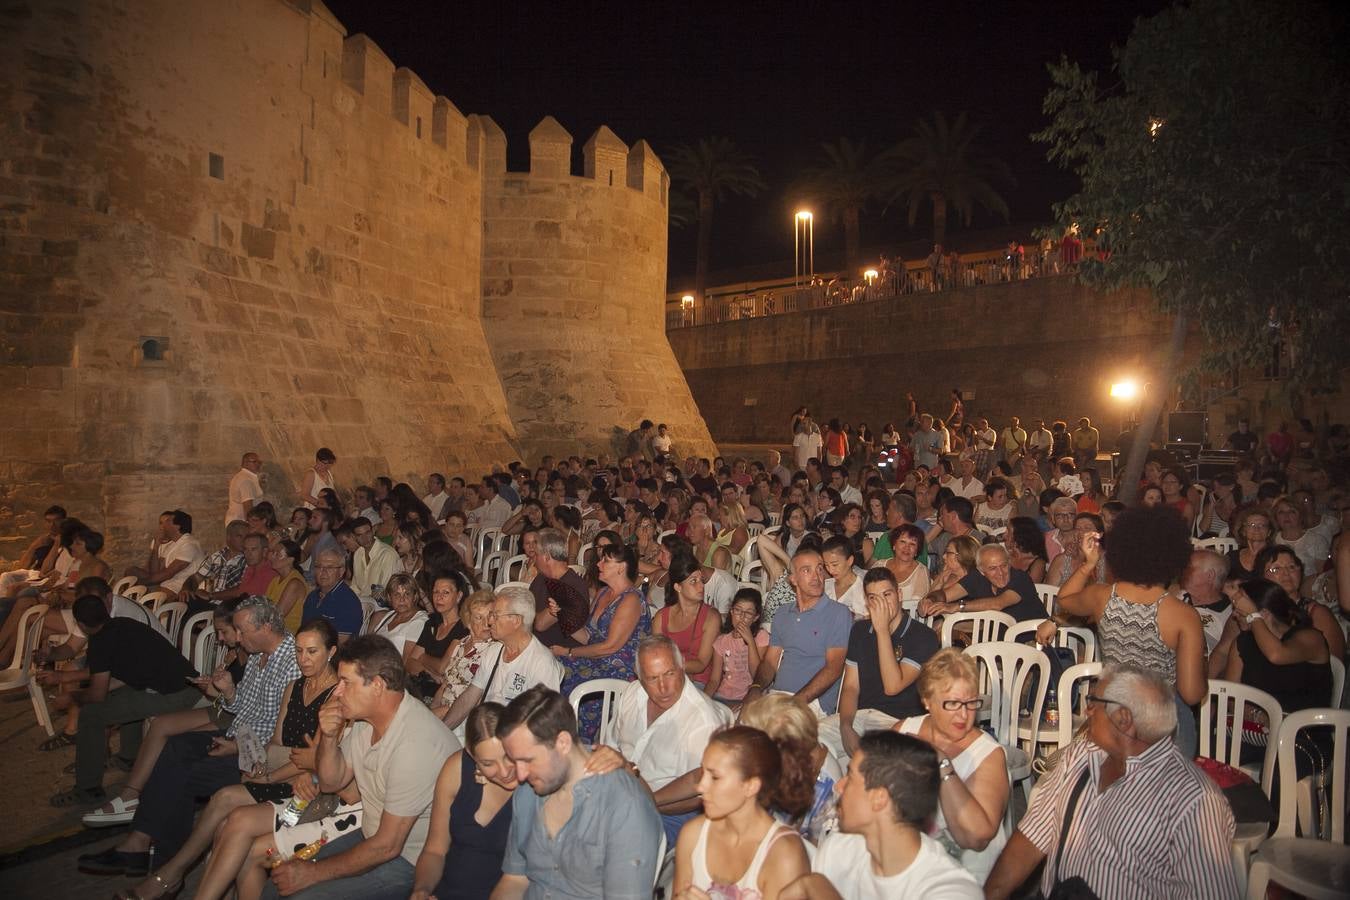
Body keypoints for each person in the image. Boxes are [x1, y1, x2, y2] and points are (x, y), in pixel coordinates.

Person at [114, 618, 339, 900]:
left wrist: (266, 776)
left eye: (312, 652)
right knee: (221, 809)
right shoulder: (294, 687)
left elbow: (313, 761)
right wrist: (256, 763)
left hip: (308, 794)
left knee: (227, 808)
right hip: (279, 776)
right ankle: (174, 876)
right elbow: (277, 742)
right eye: (298, 651)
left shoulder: (337, 697)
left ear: (331, 652)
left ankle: (169, 876)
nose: (303, 659)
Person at [79, 597, 300, 873]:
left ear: (267, 626)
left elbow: (287, 735)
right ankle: (142, 845)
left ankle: (157, 862)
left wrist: (235, 747)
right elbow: (245, 708)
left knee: (178, 775)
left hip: (258, 755)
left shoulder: (293, 662)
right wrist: (230, 691)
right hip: (238, 736)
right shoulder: (258, 655)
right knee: (174, 747)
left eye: (242, 631)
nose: (237, 638)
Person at [984, 665, 1237, 900]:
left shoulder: (1194, 800)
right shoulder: (1082, 754)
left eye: (1093, 702)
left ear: (1123, 718)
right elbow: (1030, 839)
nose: (1087, 711)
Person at [264, 635, 459, 898]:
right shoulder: (365, 721)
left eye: (346, 682)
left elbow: (388, 846)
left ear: (377, 685)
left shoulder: (416, 743)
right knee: (276, 884)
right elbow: (332, 782)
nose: (337, 691)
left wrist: (311, 874)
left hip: (411, 860)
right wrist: (330, 738)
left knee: (300, 894)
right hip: (372, 836)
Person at [1037, 506, 1207, 757]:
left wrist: (1088, 564)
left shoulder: (1103, 596)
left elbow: (1065, 598)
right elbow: (1192, 694)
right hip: (1162, 722)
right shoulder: (1183, 615)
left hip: (1112, 713)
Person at [493, 686, 663, 897]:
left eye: (528, 760)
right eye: (514, 761)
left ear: (563, 743)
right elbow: (514, 879)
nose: (519, 775)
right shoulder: (528, 792)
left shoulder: (624, 806)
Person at [785, 731, 982, 900]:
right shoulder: (837, 850)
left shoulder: (951, 891)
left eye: (851, 777)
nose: (839, 786)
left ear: (879, 798)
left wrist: (817, 887)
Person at [48, 595, 200, 810]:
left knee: (91, 715)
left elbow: (97, 695)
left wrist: (71, 697)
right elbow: (121, 679)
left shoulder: (101, 640)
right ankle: (129, 757)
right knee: (124, 697)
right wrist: (66, 682)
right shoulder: (125, 624)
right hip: (188, 686)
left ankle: (87, 789)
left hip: (174, 696)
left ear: (80, 625)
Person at [893, 649, 1008, 881]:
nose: (963, 715)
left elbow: (976, 838)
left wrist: (941, 763)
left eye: (971, 703)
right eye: (953, 703)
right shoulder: (903, 731)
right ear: (927, 701)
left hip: (960, 873)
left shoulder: (989, 755)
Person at [608, 635, 734, 844]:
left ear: (682, 666)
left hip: (671, 812)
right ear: (639, 677)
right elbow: (613, 745)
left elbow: (700, 796)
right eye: (652, 678)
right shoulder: (632, 693)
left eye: (669, 673)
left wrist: (646, 804)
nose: (664, 687)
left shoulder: (703, 720)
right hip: (622, 792)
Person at [672, 726, 812, 898]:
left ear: (751, 786)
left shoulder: (783, 854)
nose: (700, 786)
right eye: (703, 773)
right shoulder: (693, 834)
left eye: (715, 777)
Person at [819, 568, 939, 764]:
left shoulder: (923, 636)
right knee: (808, 740)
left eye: (887, 595)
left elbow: (892, 687)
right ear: (867, 602)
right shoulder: (859, 630)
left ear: (899, 595)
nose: (882, 603)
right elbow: (850, 687)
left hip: (899, 722)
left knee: (879, 760)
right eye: (874, 597)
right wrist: (846, 725)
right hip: (860, 717)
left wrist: (882, 630)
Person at [410, 703, 516, 900]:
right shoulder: (456, 770)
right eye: (487, 763)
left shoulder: (535, 783)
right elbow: (435, 850)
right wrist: (422, 890)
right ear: (471, 755)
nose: (504, 771)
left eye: (508, 756)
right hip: (448, 889)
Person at [555, 543, 650, 740]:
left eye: (605, 560)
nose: (598, 564)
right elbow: (589, 636)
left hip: (620, 668)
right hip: (596, 659)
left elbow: (610, 647)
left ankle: (578, 743)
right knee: (551, 667)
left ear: (621, 567)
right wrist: (562, 615)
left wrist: (568, 652)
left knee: (568, 677)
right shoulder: (603, 593)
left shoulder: (631, 599)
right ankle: (554, 738)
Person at [438, 585, 564, 729]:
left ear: (516, 621)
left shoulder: (541, 663)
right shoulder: (494, 651)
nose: (490, 621)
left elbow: (545, 723)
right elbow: (469, 698)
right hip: (484, 732)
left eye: (495, 615)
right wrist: (443, 730)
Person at [745, 547, 852, 716]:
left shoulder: (838, 613)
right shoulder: (782, 613)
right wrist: (756, 687)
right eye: (806, 570)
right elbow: (770, 663)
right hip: (777, 698)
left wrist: (795, 703)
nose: (817, 576)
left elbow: (834, 668)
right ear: (793, 579)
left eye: (819, 568)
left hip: (812, 703)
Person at [1222, 577, 1332, 714]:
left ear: (1264, 614)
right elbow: (1231, 698)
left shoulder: (1311, 638)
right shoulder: (1243, 642)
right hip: (1254, 729)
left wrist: (1253, 616)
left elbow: (1276, 655)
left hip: (1301, 729)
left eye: (1240, 610)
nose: (1234, 615)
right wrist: (1257, 717)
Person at [920, 543, 1048, 624]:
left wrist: (957, 606)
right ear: (981, 571)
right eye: (992, 568)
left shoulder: (1020, 578)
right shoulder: (977, 577)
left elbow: (998, 603)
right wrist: (930, 600)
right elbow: (945, 595)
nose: (1000, 573)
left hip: (1032, 641)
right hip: (995, 645)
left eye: (1004, 566)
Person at [652, 553, 720, 687]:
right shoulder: (662, 617)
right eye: (693, 581)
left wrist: (667, 666)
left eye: (701, 580)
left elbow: (701, 664)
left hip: (697, 683)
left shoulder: (711, 617)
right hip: (666, 678)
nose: (701, 586)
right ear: (678, 587)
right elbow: (656, 652)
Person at [705, 587, 771, 705]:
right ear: (731, 611)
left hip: (749, 698)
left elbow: (757, 676)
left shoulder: (761, 637)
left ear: (755, 617)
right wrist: (703, 702)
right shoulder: (721, 641)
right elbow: (714, 680)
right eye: (738, 610)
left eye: (748, 613)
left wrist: (750, 641)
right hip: (723, 696)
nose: (742, 616)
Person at [527, 527, 591, 648]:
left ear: (546, 557)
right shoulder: (542, 577)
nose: (533, 560)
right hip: (536, 645)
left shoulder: (573, 585)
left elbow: (540, 624)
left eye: (536, 554)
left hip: (557, 651)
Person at [123, 509, 204, 595]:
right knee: (131, 571)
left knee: (145, 598)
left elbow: (167, 574)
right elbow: (155, 571)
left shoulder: (188, 545)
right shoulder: (177, 543)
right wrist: (157, 545)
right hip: (167, 585)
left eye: (168, 521)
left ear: (177, 526)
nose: (163, 525)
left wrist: (139, 583)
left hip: (179, 590)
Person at [1180, 550, 1237, 671]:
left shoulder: (1231, 614)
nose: (1183, 570)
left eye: (1189, 567)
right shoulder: (1176, 596)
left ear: (1210, 575)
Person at [302, 548, 363, 641]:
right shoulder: (312, 597)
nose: (323, 572)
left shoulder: (348, 602)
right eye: (319, 567)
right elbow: (304, 631)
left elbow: (340, 643)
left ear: (341, 571)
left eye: (329, 567)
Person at [366, 572, 430, 661]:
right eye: (396, 594)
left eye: (407, 594)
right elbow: (365, 649)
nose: (402, 599)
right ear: (389, 597)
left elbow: (407, 663)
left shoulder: (419, 621)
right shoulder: (384, 617)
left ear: (414, 597)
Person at [351, 517, 400, 603]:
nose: (365, 538)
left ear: (373, 531)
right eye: (360, 535)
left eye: (367, 533)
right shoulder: (358, 554)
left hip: (383, 606)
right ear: (354, 537)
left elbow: (385, 593)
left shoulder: (387, 555)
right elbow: (355, 587)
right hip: (362, 604)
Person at [227, 452, 265, 524]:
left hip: (238, 522)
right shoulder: (246, 480)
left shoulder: (246, 476)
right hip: (241, 523)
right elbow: (248, 507)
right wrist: (251, 525)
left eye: (259, 462)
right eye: (254, 462)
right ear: (245, 463)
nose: (258, 464)